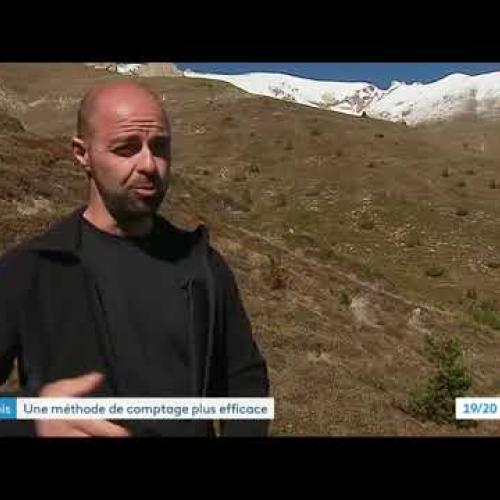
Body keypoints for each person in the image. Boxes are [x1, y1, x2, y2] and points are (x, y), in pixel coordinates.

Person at [0, 81, 270, 437]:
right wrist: (26, 418)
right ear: (83, 154)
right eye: (126, 148)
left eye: (160, 147)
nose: (149, 164)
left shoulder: (203, 265)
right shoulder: (31, 268)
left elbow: (244, 381)